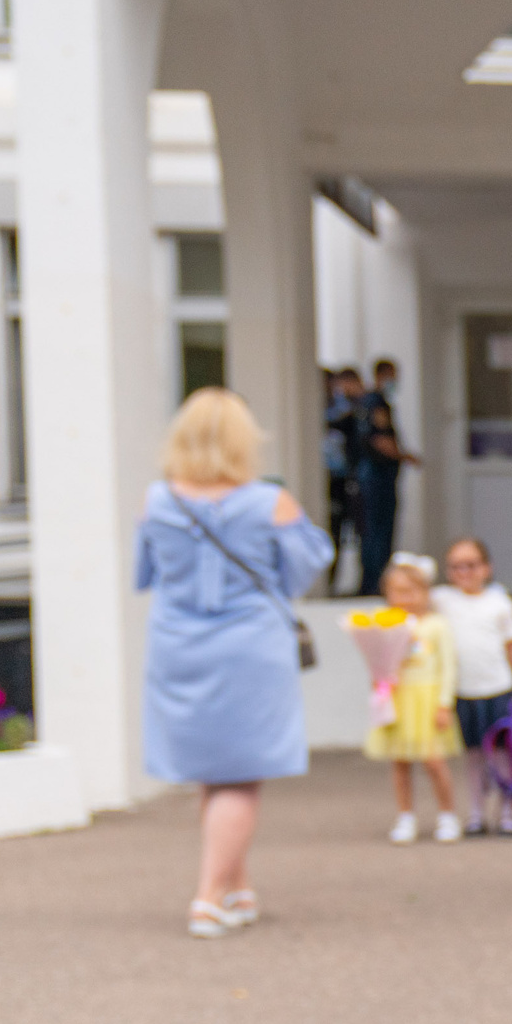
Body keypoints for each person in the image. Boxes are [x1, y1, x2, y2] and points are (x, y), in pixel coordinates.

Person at [134, 386, 334, 938]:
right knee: (241, 780)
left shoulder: (157, 501)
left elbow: (144, 573)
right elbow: (302, 573)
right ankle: (207, 898)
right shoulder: (270, 502)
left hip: (177, 646)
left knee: (210, 774)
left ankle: (237, 889)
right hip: (250, 650)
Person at [434, 536, 512, 835]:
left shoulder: (499, 602)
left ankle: (507, 813)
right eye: (456, 567)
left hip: (498, 688)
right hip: (463, 691)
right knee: (473, 755)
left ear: (486, 568)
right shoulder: (442, 600)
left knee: (504, 754)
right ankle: (477, 813)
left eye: (471, 565)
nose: (464, 573)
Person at [365, 554, 463, 844]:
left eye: (412, 591)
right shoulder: (386, 624)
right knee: (400, 761)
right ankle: (405, 816)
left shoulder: (437, 625)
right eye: (398, 591)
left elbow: (448, 667)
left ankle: (447, 814)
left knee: (434, 761)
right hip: (399, 699)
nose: (405, 598)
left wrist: (444, 703)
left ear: (425, 592)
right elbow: (378, 663)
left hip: (428, 699)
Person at [355, 359, 417, 596]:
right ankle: (375, 582)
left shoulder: (369, 402)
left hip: (374, 476)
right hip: (376, 477)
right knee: (378, 531)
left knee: (374, 530)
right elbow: (380, 439)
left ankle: (374, 580)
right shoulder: (376, 403)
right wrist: (404, 456)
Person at [323, 368, 369, 593]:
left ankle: (341, 581)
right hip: (326, 479)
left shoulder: (347, 409)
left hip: (344, 478)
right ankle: (327, 582)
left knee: (350, 531)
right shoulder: (320, 412)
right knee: (330, 531)